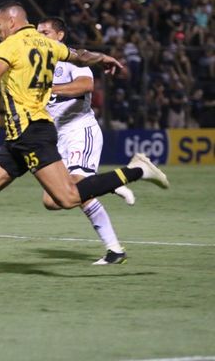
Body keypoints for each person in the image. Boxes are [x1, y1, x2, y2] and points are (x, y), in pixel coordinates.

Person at [0, 1, 169, 279]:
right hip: (17, 137)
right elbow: (79, 55)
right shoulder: (48, 44)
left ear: (12, 21)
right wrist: (103, 57)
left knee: (67, 197)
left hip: (32, 133)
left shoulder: (10, 45)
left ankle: (139, 170)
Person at [37, 16, 135, 265]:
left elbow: (85, 85)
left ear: (60, 36)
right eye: (38, 33)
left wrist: (51, 90)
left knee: (76, 186)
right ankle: (105, 185)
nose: (40, 37)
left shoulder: (71, 58)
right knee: (52, 200)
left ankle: (115, 250)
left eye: (45, 32)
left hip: (80, 131)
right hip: (57, 140)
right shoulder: (38, 64)